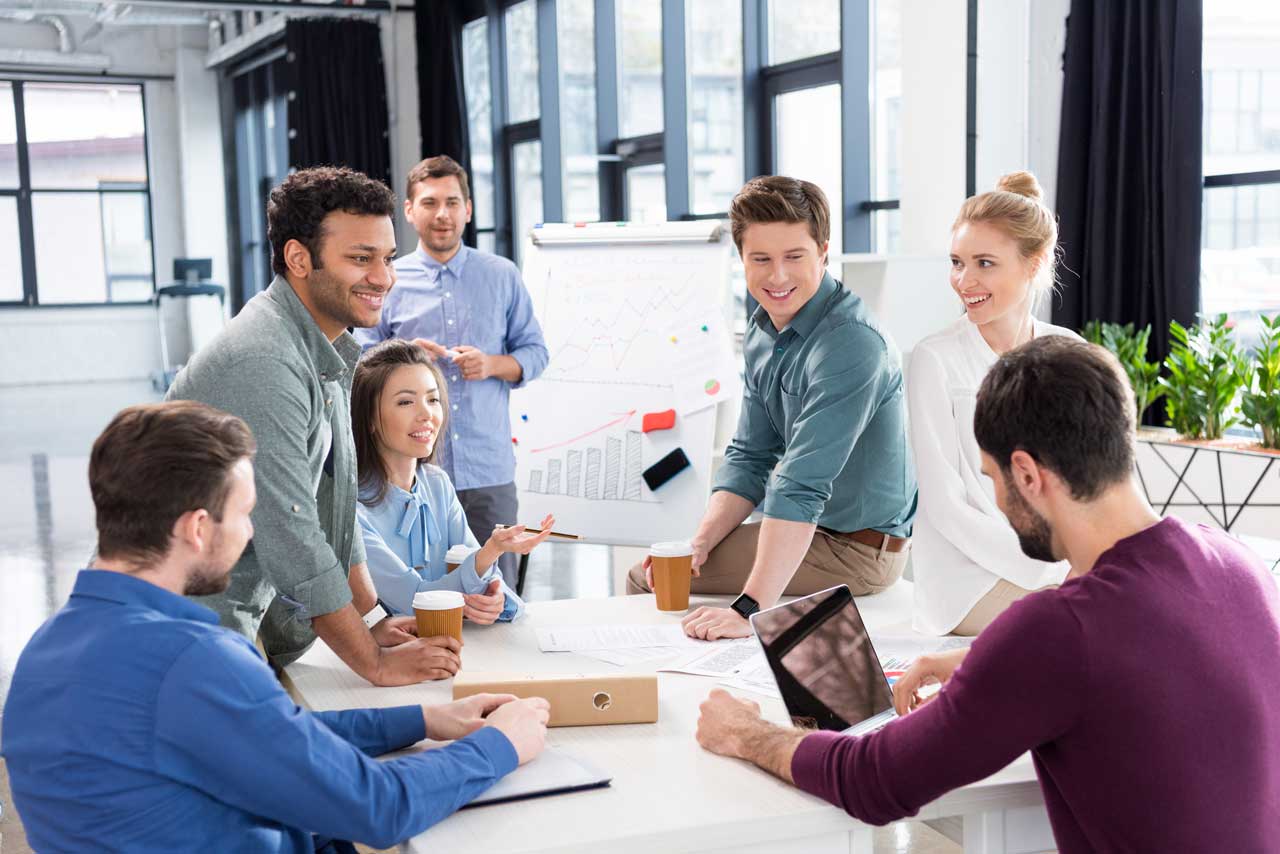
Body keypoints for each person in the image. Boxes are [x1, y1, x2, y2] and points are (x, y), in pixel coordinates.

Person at [693, 337, 1280, 852]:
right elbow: (1142, 647)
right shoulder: (1237, 563)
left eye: (991, 477)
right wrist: (980, 658)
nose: (996, 498)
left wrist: (745, 733)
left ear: (1027, 474)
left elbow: (878, 781)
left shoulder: (1060, 630)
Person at [0, 401, 550, 852]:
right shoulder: (191, 661)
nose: (249, 536)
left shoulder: (50, 647)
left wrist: (424, 719)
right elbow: (377, 808)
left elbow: (269, 737)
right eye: (244, 514)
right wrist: (500, 745)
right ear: (196, 528)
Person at [168, 166, 455, 685]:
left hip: (239, 630)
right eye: (360, 259)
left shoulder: (327, 349)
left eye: (387, 258)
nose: (383, 277)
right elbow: (292, 533)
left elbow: (335, 508)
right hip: (191, 635)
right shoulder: (265, 359)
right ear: (300, 259)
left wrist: (373, 622)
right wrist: (372, 662)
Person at [627, 175, 917, 640]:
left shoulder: (852, 344)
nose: (777, 276)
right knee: (670, 569)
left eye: (794, 257)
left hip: (860, 553)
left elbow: (800, 483)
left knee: (647, 581)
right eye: (761, 259)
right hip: (814, 531)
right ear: (741, 259)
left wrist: (748, 610)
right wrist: (698, 544)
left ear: (823, 251)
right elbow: (750, 457)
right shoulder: (765, 329)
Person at [356, 155, 549, 590]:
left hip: (487, 473)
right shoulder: (386, 279)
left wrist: (493, 364)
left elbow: (536, 351)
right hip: (409, 474)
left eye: (451, 202)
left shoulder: (501, 275)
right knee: (420, 596)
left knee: (495, 595)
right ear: (409, 211)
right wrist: (401, 355)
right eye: (428, 203)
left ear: (468, 209)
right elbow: (360, 362)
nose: (441, 214)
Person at [908, 171, 1078, 636]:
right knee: (1087, 627)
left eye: (985, 263)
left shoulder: (1067, 352)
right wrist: (1048, 568)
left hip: (1059, 561)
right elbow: (945, 507)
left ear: (1034, 263)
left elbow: (1078, 480)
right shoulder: (935, 360)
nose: (964, 281)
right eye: (957, 262)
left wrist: (1077, 557)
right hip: (968, 580)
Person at [352, 339, 554, 618]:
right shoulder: (352, 508)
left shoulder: (437, 484)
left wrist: (496, 600)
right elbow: (415, 599)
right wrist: (490, 552)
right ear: (370, 417)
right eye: (405, 402)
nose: (427, 415)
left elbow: (486, 580)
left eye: (433, 399)